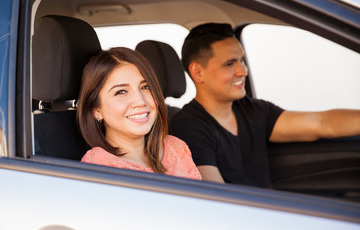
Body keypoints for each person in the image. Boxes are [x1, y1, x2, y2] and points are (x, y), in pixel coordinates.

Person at [170, 23, 360, 187]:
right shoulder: (188, 128)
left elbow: (321, 123)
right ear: (198, 72)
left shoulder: (253, 110)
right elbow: (217, 199)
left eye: (241, 60)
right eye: (229, 64)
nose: (243, 71)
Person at [77, 47, 201, 180]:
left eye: (145, 87)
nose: (140, 101)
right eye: (121, 92)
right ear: (96, 110)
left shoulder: (175, 148)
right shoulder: (99, 166)